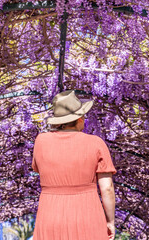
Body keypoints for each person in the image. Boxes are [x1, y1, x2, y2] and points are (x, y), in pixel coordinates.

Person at [31, 90, 116, 240]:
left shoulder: (41, 141)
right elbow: (107, 188)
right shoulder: (95, 143)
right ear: (80, 119)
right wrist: (110, 221)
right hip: (87, 214)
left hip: (50, 214)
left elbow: (39, 169)